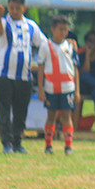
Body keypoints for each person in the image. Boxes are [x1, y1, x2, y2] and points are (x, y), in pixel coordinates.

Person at [0, 0, 46, 154]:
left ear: (24, 8)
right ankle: (6, 143)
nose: (15, 11)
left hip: (24, 76)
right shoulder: (2, 22)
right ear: (8, 7)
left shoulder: (31, 26)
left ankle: (18, 142)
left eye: (18, 8)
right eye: (12, 8)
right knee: (4, 109)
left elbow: (43, 44)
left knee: (21, 111)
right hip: (3, 74)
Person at [36, 15, 80, 156]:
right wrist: (41, 89)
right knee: (51, 115)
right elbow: (41, 69)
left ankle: (68, 146)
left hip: (67, 87)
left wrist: (77, 91)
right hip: (51, 87)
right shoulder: (45, 46)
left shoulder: (71, 46)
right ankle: (48, 145)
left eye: (65, 30)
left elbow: (75, 69)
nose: (63, 32)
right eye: (61, 29)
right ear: (53, 29)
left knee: (67, 115)